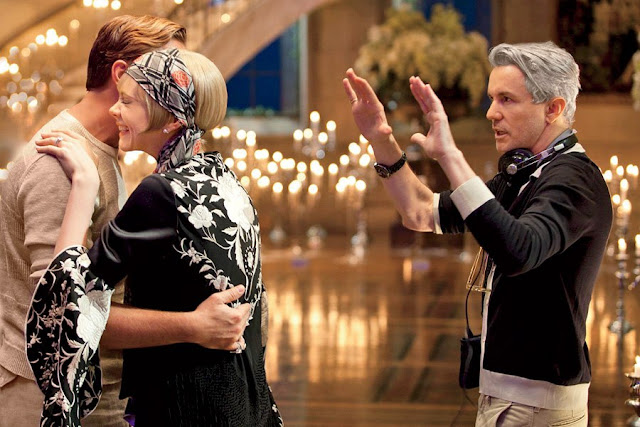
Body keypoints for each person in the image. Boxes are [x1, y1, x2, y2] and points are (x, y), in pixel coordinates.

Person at [343, 41, 612, 426]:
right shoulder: (522, 173)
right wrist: (380, 138)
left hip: (538, 406)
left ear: (553, 109)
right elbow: (421, 212)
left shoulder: (574, 179)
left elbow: (519, 251)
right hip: (506, 397)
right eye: (491, 98)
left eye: (506, 100)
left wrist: (449, 155)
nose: (491, 113)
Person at [0, 16, 250, 427]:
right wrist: (193, 326)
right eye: (169, 70)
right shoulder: (59, 162)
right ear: (122, 75)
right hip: (51, 402)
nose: (182, 84)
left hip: (102, 396)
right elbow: (63, 312)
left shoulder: (107, 151)